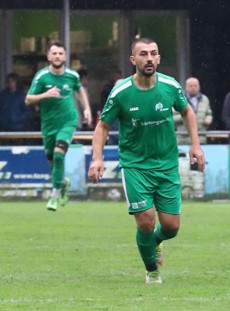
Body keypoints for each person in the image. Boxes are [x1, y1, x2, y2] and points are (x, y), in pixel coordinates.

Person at [88, 38, 206, 284]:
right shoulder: (121, 92)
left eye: (154, 53)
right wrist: (96, 158)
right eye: (143, 54)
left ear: (159, 58)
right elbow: (103, 126)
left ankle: (156, 242)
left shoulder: (170, 86)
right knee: (145, 220)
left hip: (166, 164)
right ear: (134, 60)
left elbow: (187, 111)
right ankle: (152, 270)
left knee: (171, 227)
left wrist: (196, 145)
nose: (149, 58)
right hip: (135, 165)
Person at [25, 42, 91, 211]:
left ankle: (53, 195)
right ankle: (62, 183)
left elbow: (79, 89)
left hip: (68, 122)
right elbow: (28, 99)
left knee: (59, 155)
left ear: (65, 56)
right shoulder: (42, 77)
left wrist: (87, 109)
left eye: (60, 53)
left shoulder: (72, 75)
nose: (57, 56)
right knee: (53, 162)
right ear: (48, 57)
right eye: (54, 53)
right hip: (48, 125)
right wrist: (46, 94)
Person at [173, 77, 213, 143]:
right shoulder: (179, 99)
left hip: (200, 137)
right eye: (190, 86)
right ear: (186, 87)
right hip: (183, 138)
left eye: (195, 86)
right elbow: (172, 118)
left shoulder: (205, 99)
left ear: (199, 87)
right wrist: (186, 116)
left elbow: (209, 113)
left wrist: (208, 119)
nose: (193, 88)